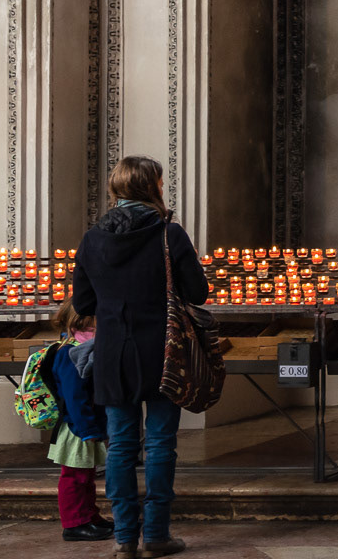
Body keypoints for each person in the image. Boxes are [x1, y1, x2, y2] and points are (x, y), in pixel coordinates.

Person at [72, 155, 209, 558]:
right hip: (165, 351)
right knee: (162, 444)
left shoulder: (93, 238)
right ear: (153, 187)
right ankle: (157, 536)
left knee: (120, 447)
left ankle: (125, 540)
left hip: (114, 353)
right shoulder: (169, 234)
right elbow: (197, 293)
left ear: (116, 189)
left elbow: (82, 301)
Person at [46, 303, 111, 542]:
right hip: (77, 427)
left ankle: (89, 516)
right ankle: (74, 523)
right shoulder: (70, 352)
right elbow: (75, 397)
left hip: (87, 424)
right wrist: (86, 429)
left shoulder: (87, 349)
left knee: (87, 475)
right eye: (92, 326)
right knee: (74, 476)